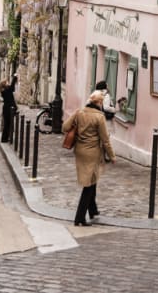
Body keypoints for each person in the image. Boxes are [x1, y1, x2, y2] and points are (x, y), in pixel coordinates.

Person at [62, 90, 115, 227]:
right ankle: (79, 217)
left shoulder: (79, 112)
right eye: (101, 101)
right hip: (93, 153)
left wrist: (78, 128)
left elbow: (65, 127)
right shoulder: (99, 117)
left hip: (80, 151)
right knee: (89, 185)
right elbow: (105, 140)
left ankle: (93, 210)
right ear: (98, 102)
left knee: (92, 179)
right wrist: (112, 156)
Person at [0, 76, 17, 143]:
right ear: (4, 84)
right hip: (8, 109)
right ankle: (4, 139)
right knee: (7, 124)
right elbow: (12, 88)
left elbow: (12, 89)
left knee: (8, 124)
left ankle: (6, 138)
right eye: (7, 82)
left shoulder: (5, 90)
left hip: (7, 109)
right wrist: (14, 78)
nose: (8, 83)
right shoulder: (6, 91)